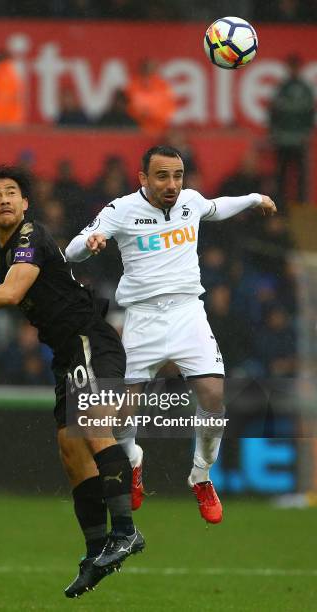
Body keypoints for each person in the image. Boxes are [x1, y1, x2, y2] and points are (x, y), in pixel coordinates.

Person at [0, 165, 145, 598]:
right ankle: (96, 552)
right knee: (71, 451)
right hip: (66, 353)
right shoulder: (4, 251)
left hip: (88, 340)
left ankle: (126, 531)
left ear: (25, 203)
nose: (4, 199)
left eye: (11, 193)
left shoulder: (29, 237)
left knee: (93, 427)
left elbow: (13, 293)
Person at [66, 145, 277, 525]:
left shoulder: (190, 202)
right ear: (143, 178)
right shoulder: (121, 209)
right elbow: (73, 248)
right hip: (142, 318)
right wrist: (91, 244)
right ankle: (133, 460)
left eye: (177, 176)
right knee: (122, 413)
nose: (172, 184)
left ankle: (201, 475)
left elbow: (217, 206)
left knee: (213, 394)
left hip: (187, 313)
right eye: (162, 176)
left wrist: (254, 198)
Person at [268, 54, 315, 206]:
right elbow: (273, 111)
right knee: (281, 172)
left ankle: (301, 202)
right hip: (282, 138)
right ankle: (280, 202)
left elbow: (310, 113)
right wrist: (274, 132)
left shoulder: (305, 88)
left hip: (299, 139)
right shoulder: (282, 88)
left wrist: (307, 132)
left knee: (300, 173)